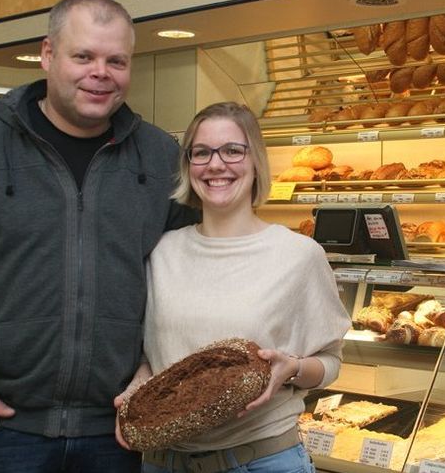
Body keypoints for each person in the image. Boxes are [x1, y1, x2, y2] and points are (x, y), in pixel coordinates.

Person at [0, 0, 197, 473]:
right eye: (83, 56)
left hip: (116, 433)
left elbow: (186, 274)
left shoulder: (157, 156)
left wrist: (153, 375)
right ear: (48, 54)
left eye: (117, 60)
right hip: (1, 431)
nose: (101, 72)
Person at [115, 102, 351, 473]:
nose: (216, 164)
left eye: (232, 150)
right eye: (201, 152)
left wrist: (290, 367)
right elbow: (153, 354)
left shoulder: (298, 255)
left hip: (262, 460)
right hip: (165, 462)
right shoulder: (162, 252)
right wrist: (138, 390)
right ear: (188, 166)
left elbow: (330, 361)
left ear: (255, 161)